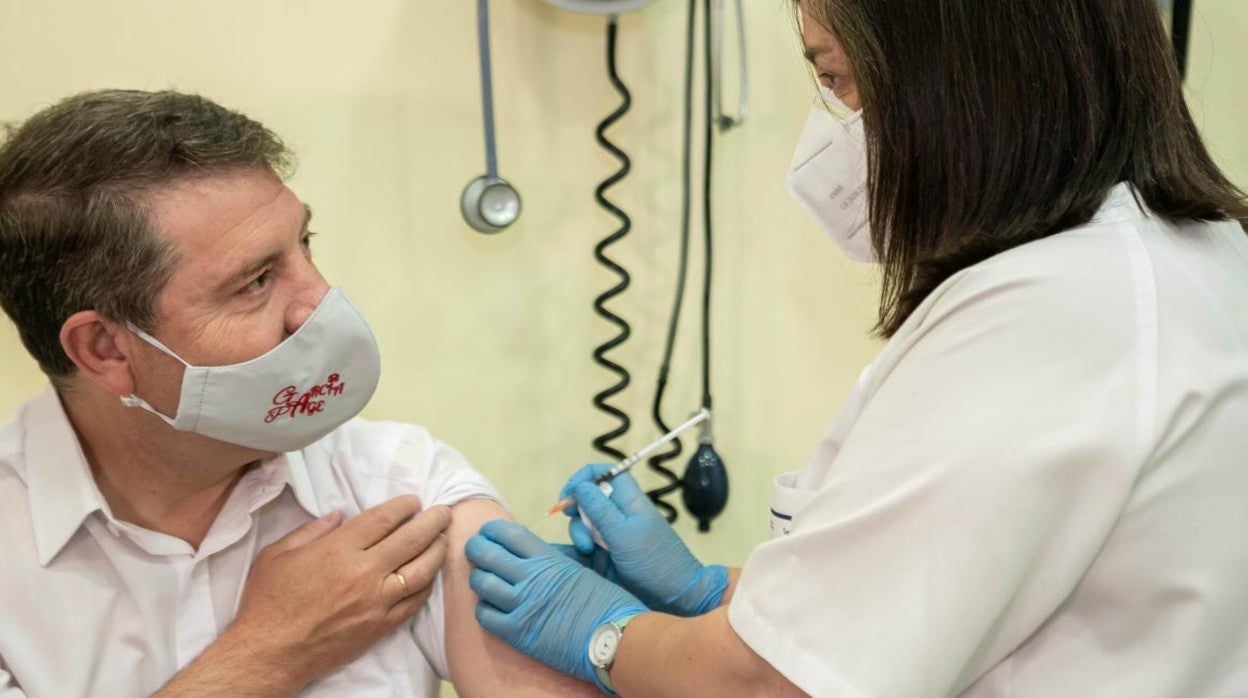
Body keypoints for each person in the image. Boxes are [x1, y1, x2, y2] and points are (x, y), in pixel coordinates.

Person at [464, 0, 1248, 695]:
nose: (834, 129)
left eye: (837, 79)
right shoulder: (1196, 256)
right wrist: (707, 595)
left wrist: (601, 634)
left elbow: (778, 686)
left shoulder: (1055, 310)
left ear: (951, 77)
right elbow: (908, 605)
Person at [0, 90, 597, 697]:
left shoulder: (399, 487)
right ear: (106, 349)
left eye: (304, 244)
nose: (318, 302)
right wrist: (267, 653)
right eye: (254, 282)